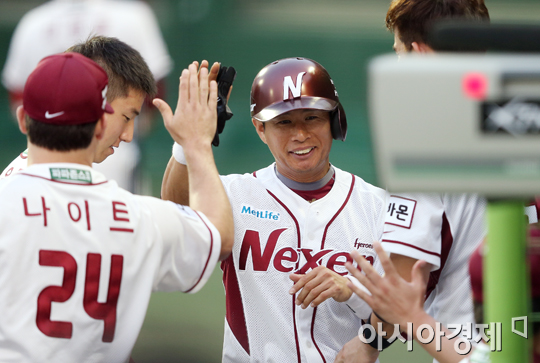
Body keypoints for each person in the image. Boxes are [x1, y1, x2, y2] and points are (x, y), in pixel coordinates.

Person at [0, 52, 233, 362]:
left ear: (22, 120)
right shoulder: (136, 216)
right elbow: (217, 234)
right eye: (127, 117)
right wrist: (196, 143)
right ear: (99, 124)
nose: (128, 133)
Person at [161, 57, 387, 362]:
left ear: (333, 120)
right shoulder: (233, 195)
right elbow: (176, 217)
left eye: (312, 118)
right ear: (260, 129)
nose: (300, 134)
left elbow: (405, 317)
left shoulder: (378, 207)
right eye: (284, 122)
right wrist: (189, 143)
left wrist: (352, 291)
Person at [1, 0, 173, 191]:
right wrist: (127, 120)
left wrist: (51, 121)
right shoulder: (134, 14)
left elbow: (17, 97)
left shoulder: (32, 22)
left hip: (42, 152)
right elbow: (155, 94)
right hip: (116, 159)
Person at [0, 35, 154, 184]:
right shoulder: (68, 184)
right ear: (94, 107)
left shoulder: (37, 171)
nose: (129, 136)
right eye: (126, 117)